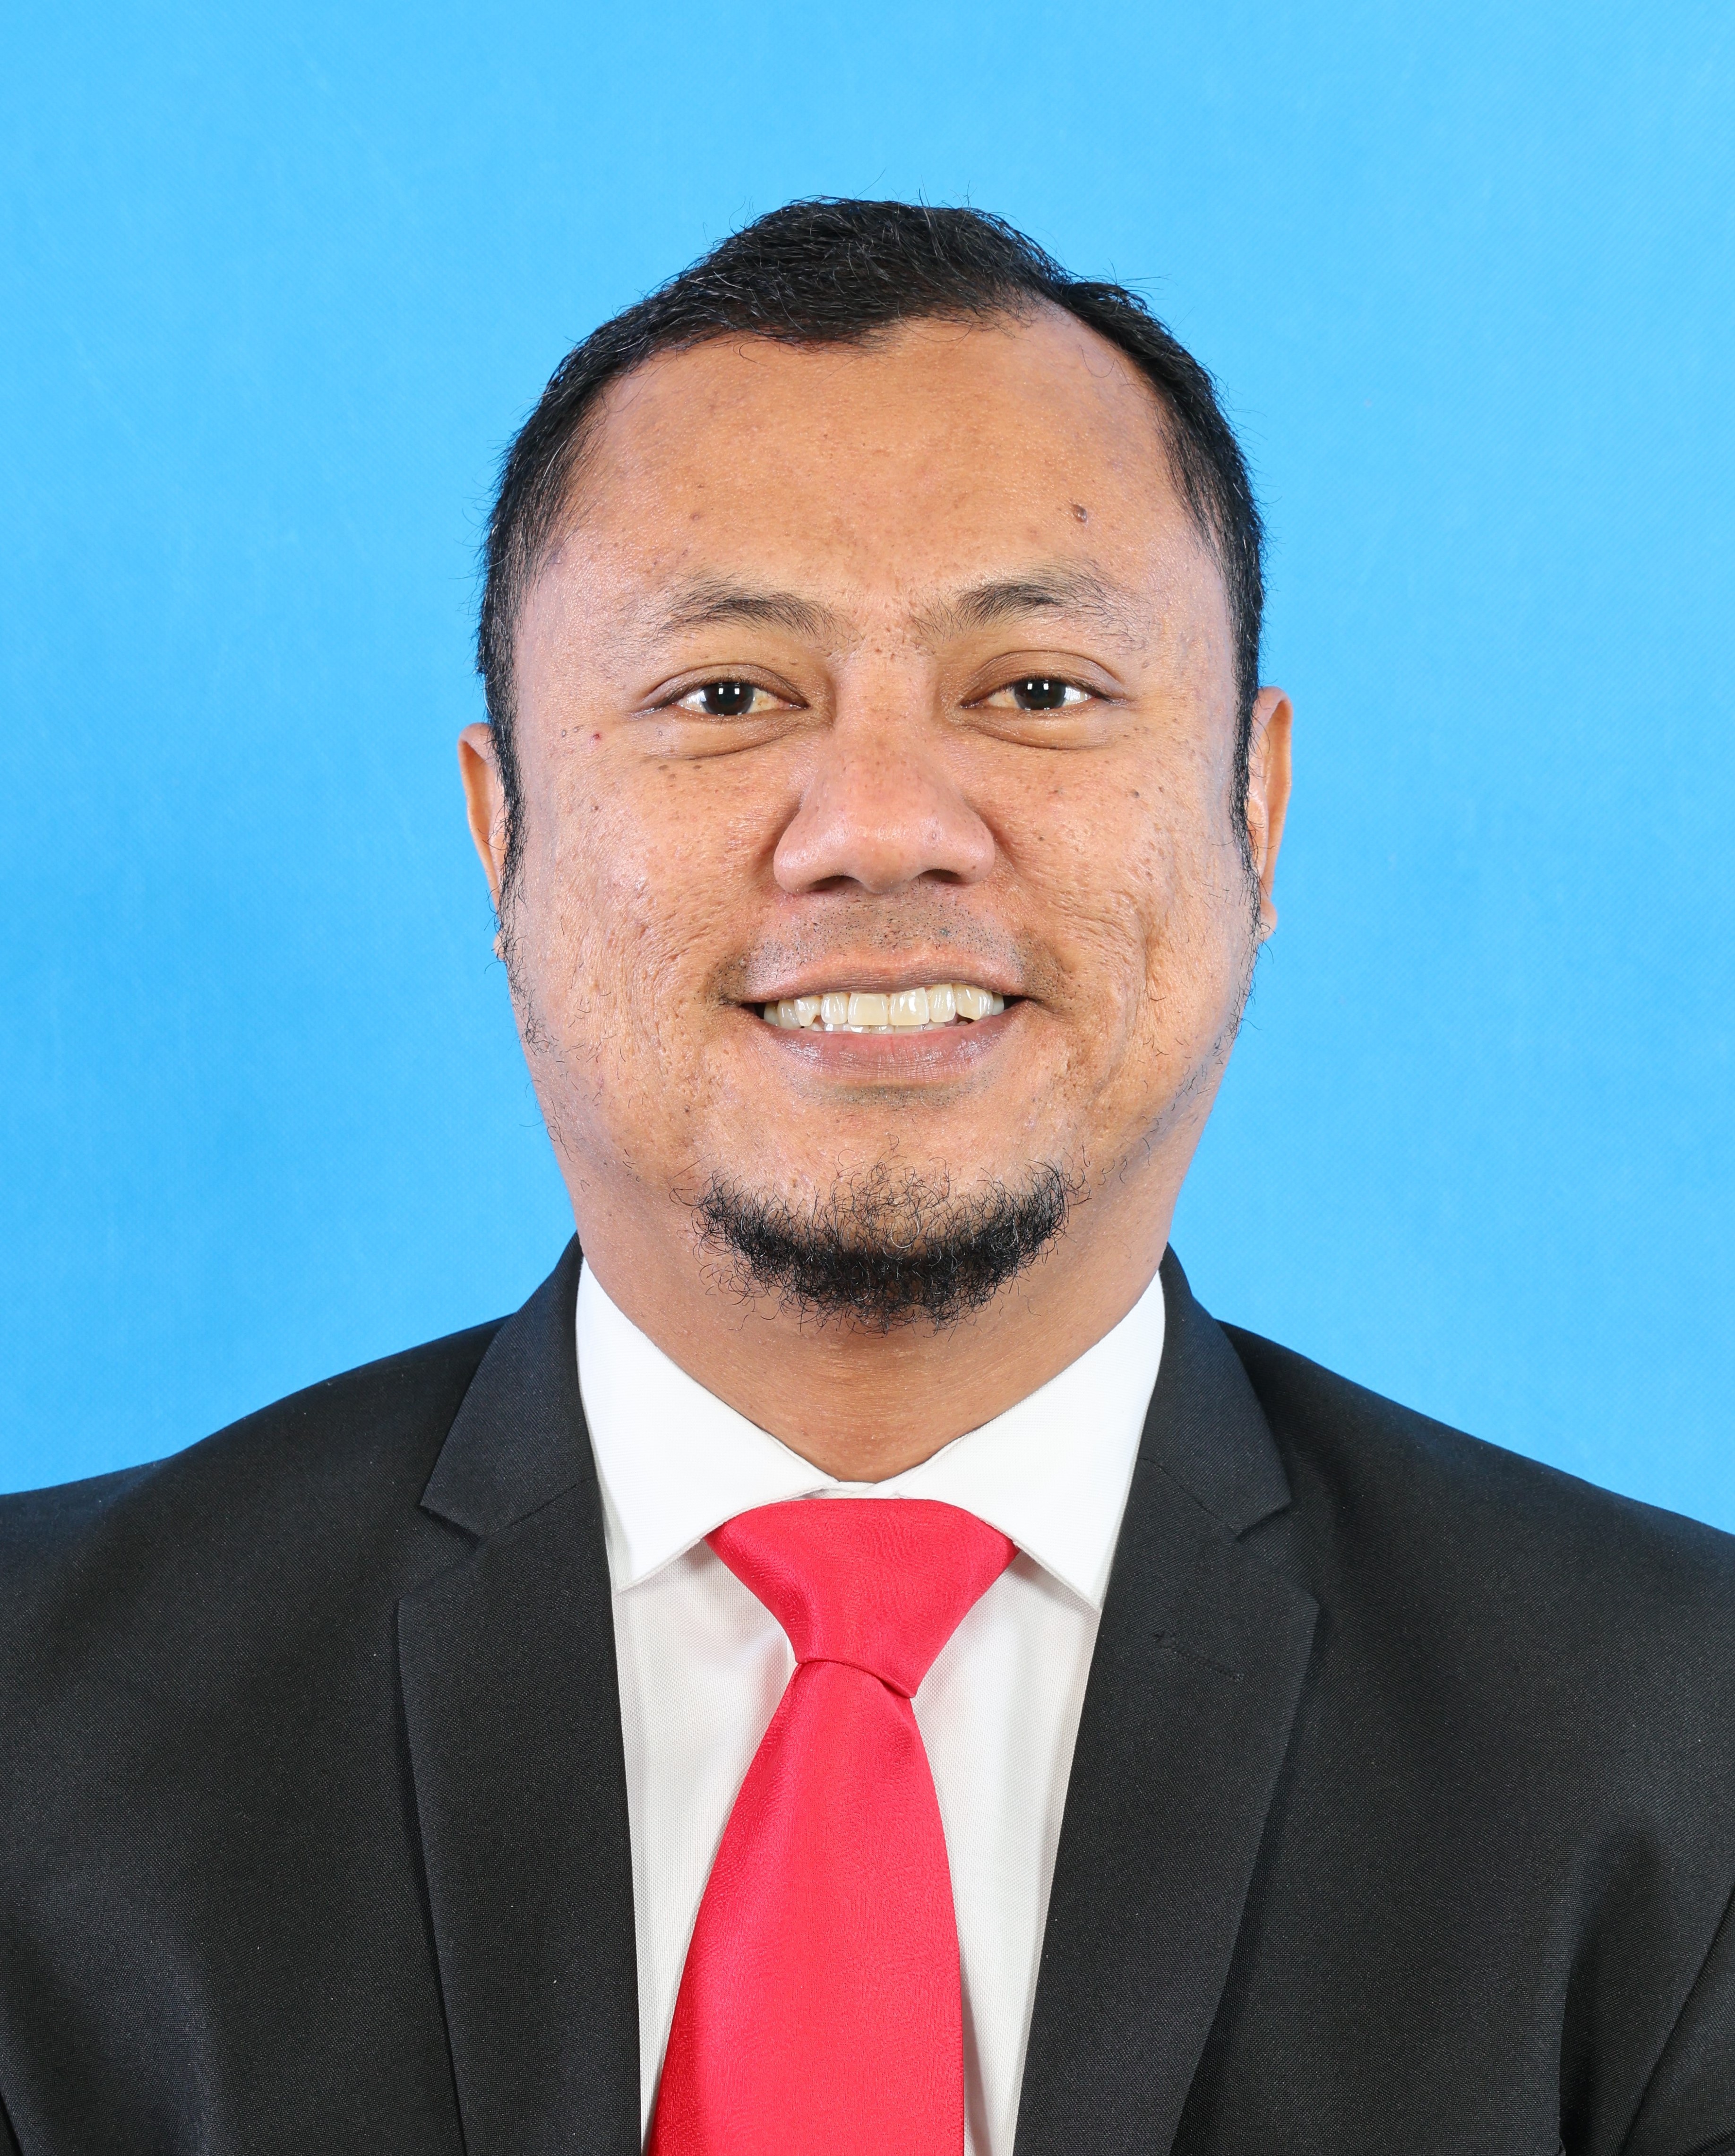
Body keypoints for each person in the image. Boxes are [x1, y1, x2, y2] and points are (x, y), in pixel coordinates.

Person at [1, 198, 1731, 2156]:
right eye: (728, 696)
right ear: (504, 835)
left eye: (1039, 689)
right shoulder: (37, 1728)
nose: (885, 825)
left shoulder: (1683, 1750)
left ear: (1256, 806)